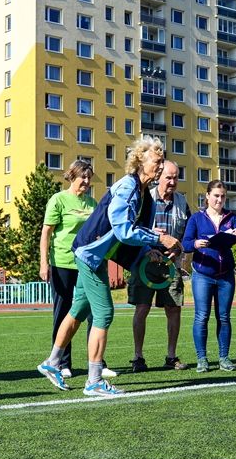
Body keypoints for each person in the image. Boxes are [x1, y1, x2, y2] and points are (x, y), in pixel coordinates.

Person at [36, 136, 181, 397]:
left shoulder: (145, 195)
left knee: (78, 309)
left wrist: (151, 252)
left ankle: (52, 362)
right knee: (104, 314)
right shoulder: (127, 187)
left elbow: (134, 235)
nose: (160, 167)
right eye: (156, 162)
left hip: (94, 256)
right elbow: (123, 230)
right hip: (90, 255)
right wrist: (159, 238)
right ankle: (93, 381)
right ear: (140, 161)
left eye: (161, 162)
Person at [40, 159, 111, 379]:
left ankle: (98, 361)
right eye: (83, 177)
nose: (87, 182)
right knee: (64, 311)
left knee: (92, 312)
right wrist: (44, 263)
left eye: (90, 178)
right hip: (62, 262)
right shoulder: (58, 200)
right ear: (72, 176)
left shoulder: (92, 204)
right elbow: (46, 233)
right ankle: (62, 362)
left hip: (88, 264)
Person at [128, 160, 190, 373]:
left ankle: (171, 356)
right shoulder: (145, 198)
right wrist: (147, 248)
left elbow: (188, 233)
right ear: (159, 177)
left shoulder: (183, 202)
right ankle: (138, 357)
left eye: (176, 177)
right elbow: (131, 229)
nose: (172, 182)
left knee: (174, 309)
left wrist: (179, 248)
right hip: (144, 260)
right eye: (169, 177)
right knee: (142, 308)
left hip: (171, 264)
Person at [183, 180, 236, 373]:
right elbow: (185, 243)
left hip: (226, 276)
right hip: (202, 275)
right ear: (207, 196)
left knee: (224, 317)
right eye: (216, 196)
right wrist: (196, 244)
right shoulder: (197, 218)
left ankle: (224, 358)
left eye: (222, 196)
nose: (219, 200)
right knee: (201, 317)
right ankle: (202, 359)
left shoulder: (232, 218)